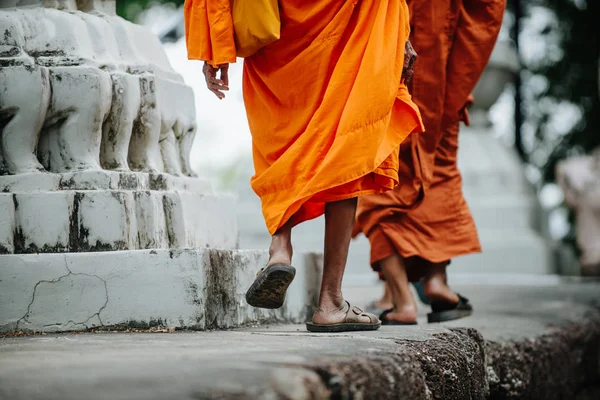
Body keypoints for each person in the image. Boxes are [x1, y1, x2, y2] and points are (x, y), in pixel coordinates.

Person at [184, 0, 423, 332]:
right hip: (352, 16)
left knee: (282, 133)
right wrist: (402, 32)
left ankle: (280, 247)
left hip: (278, 20)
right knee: (344, 145)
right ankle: (330, 301)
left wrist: (216, 44)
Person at [354, 0, 506, 325]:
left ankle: (402, 300)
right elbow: (488, 10)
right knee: (438, 173)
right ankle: (438, 282)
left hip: (393, 71)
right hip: (447, 84)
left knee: (381, 181)